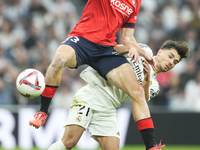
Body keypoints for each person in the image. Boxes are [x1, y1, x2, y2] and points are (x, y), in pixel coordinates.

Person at [29, 0, 168, 149]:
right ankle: (43, 112)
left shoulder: (135, 2)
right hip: (82, 39)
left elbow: (127, 37)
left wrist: (139, 52)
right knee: (58, 59)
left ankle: (151, 146)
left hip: (106, 49)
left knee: (137, 91)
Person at [46, 40, 190, 150]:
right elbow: (112, 49)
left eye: (175, 62)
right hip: (93, 94)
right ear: (160, 52)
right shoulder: (144, 50)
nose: (171, 62)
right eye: (170, 56)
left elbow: (141, 100)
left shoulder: (155, 86)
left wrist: (146, 79)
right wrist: (130, 49)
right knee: (69, 142)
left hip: (109, 108)